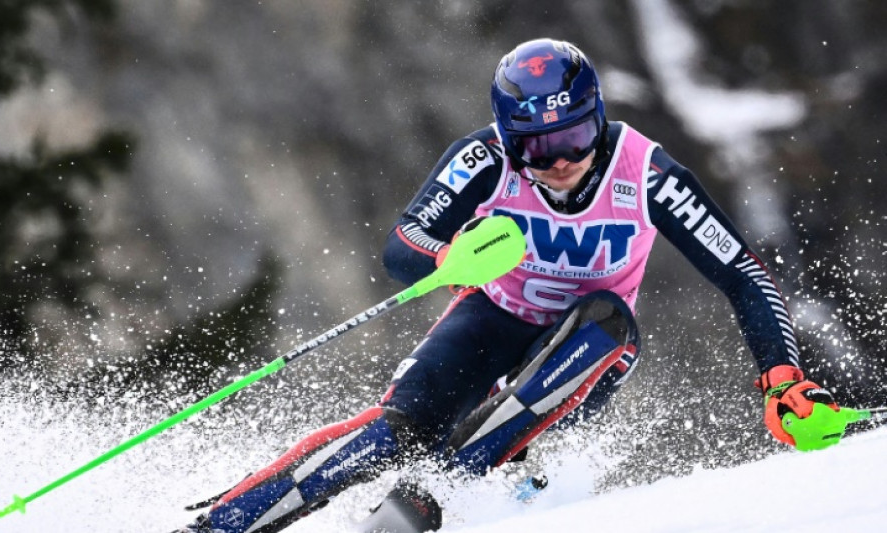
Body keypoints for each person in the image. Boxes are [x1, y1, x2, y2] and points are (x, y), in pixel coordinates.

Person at [177, 38, 840, 533]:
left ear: (597, 118)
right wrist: (448, 258)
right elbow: (402, 248)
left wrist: (781, 380)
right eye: (535, 145)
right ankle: (217, 526)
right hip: (490, 320)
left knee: (606, 318)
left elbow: (742, 273)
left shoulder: (647, 171)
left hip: (584, 355)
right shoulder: (484, 160)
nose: (558, 162)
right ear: (507, 135)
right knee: (392, 433)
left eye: (575, 137)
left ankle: (437, 492)